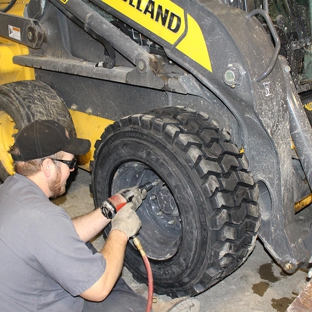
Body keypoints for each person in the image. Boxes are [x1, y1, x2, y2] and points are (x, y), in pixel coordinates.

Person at [0, 119, 200, 312]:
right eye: (71, 163)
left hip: (24, 294)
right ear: (47, 168)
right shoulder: (43, 218)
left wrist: (110, 208)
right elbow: (99, 288)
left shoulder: (10, 192)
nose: (72, 171)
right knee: (103, 268)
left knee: (83, 248)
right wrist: (120, 231)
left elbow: (60, 234)